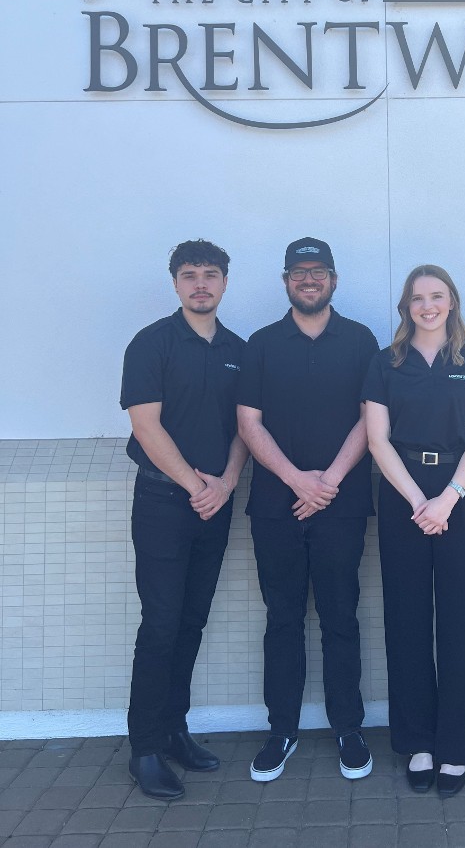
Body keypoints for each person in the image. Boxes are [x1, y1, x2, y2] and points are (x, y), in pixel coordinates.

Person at [237, 238, 379, 782]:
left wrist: (330, 482)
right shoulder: (262, 344)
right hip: (276, 505)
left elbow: (371, 418)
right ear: (286, 282)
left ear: (334, 280)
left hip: (341, 505)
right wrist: (299, 480)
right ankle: (283, 730)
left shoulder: (361, 340)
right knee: (283, 619)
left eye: (318, 271)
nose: (309, 279)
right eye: (299, 272)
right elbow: (250, 423)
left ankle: (349, 727)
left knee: (342, 617)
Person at [120, 239, 248, 799]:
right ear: (175, 283)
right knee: (161, 625)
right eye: (190, 274)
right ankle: (144, 748)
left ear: (225, 283)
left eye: (211, 274)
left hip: (214, 504)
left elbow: (246, 428)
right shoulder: (150, 344)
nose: (201, 283)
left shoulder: (240, 351)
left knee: (192, 621)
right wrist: (197, 485)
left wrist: (226, 483)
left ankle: (175, 731)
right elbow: (147, 426)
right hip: (162, 505)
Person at [364, 265, 465, 797]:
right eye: (417, 298)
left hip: (458, 495)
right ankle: (417, 741)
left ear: (452, 302)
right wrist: (419, 500)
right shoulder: (385, 364)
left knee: (462, 621)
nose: (427, 306)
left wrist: (448, 497)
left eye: (437, 296)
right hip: (403, 498)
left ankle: (457, 747)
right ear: (405, 307)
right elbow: (377, 439)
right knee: (407, 619)